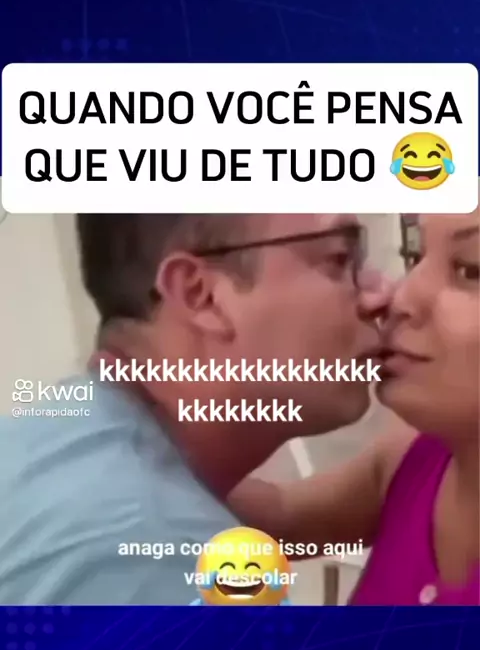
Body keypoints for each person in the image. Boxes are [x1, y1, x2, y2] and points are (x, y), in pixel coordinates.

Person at [0, 213, 387, 605]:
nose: (382, 294)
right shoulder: (176, 567)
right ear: (200, 294)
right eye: (340, 259)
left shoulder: (39, 446)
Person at [229, 208, 480, 605]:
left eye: (470, 270)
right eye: (414, 256)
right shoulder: (414, 458)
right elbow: (277, 521)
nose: (400, 297)